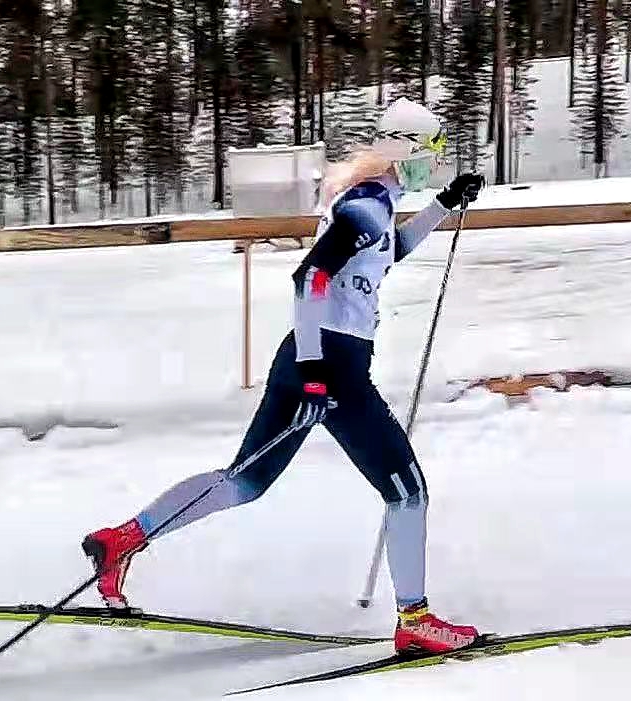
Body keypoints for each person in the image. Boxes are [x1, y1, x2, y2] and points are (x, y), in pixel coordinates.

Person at [81, 98, 486, 656]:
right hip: (332, 365)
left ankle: (123, 539)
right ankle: (415, 620)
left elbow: (388, 255)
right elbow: (310, 278)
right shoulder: (366, 205)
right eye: (433, 154)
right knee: (407, 490)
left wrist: (444, 204)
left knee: (243, 481)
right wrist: (319, 371)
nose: (435, 164)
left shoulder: (370, 202)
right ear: (408, 150)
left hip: (303, 358)